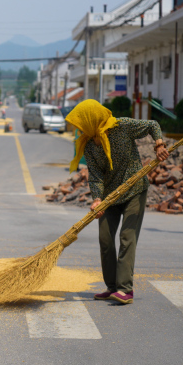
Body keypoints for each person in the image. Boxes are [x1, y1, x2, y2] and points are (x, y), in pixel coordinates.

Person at [65, 99, 169, 305]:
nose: (78, 128)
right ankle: (112, 287)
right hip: (109, 197)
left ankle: (125, 289)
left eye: (80, 123)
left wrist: (159, 144)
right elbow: (95, 176)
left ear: (91, 119)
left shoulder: (121, 126)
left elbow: (152, 125)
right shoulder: (89, 145)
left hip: (134, 190)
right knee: (105, 238)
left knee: (126, 237)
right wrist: (97, 199)